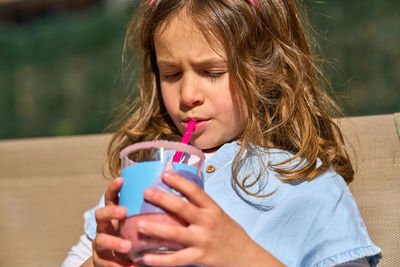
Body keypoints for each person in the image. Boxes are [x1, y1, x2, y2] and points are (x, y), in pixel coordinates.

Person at [62, 0, 382, 266]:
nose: (187, 95)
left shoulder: (308, 186)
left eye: (212, 72)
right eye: (171, 74)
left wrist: (239, 255)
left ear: (266, 69)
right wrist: (98, 262)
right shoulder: (144, 178)